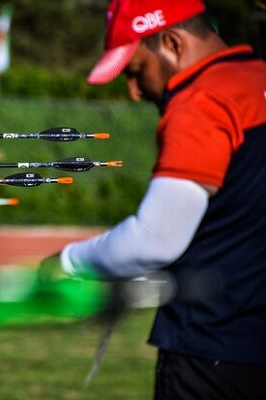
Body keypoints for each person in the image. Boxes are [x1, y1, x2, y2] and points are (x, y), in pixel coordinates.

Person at [40, 0, 266, 398]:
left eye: (135, 71)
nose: (133, 92)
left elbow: (155, 239)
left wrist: (66, 262)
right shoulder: (255, 82)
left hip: (212, 353)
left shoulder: (201, 102)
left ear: (173, 43)